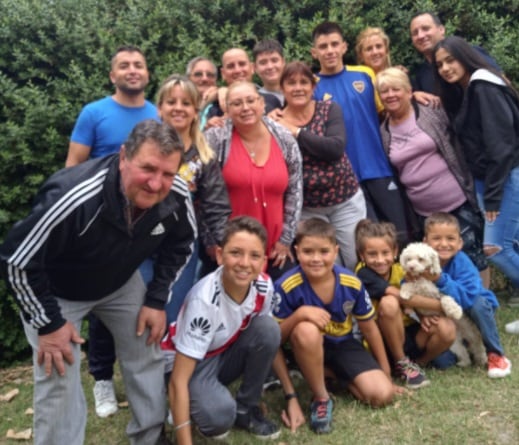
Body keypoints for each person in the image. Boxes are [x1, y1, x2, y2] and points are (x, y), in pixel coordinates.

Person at [0, 120, 196, 444]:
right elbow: (16, 259)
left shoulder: (174, 194)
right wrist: (48, 324)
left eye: (168, 173)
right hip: (57, 292)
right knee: (57, 371)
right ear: (123, 157)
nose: (156, 183)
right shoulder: (72, 195)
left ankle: (149, 437)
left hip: (120, 283)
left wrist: (156, 300)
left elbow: (182, 245)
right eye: (147, 168)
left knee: (146, 347)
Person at [66, 45, 158, 418]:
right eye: (124, 66)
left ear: (147, 73)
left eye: (138, 65)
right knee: (103, 305)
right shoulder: (94, 113)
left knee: (145, 302)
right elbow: (73, 166)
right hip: (103, 227)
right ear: (112, 75)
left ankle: (149, 385)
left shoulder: (157, 113)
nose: (132, 70)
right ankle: (102, 379)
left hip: (147, 225)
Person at [163, 216, 305, 444]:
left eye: (255, 256)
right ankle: (183, 404)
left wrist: (292, 396)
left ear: (263, 262)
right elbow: (179, 379)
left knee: (268, 328)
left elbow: (270, 340)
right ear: (220, 255)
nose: (245, 263)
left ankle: (246, 409)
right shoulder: (205, 301)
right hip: (188, 363)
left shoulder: (263, 285)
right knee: (218, 419)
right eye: (235, 253)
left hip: (222, 351)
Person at [273, 218, 395, 434]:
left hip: (343, 344)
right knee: (306, 329)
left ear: (336, 250)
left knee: (381, 396)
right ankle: (321, 398)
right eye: (308, 252)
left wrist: (386, 373)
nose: (316, 259)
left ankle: (332, 374)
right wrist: (299, 315)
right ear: (297, 251)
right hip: (304, 346)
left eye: (324, 251)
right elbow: (272, 342)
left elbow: (369, 328)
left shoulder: (351, 282)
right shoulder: (285, 286)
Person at [375, 67, 489, 287]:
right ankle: (458, 310)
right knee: (439, 262)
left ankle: (484, 304)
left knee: (474, 257)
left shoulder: (430, 111)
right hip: (423, 211)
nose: (390, 95)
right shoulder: (384, 131)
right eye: (384, 91)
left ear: (409, 91)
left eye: (396, 89)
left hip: (457, 200)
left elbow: (458, 136)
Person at [432, 36, 519, 308]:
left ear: (465, 56)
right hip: (487, 180)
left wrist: (492, 196)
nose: (445, 68)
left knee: (496, 249)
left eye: (450, 60)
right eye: (440, 64)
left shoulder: (484, 86)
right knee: (511, 243)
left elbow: (502, 146)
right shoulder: (468, 89)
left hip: (503, 178)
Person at [310, 21, 411, 246]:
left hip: (379, 168)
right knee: (368, 244)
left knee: (400, 235)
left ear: (344, 47)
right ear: (314, 52)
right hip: (345, 179)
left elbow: (389, 109)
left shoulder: (365, 74)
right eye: (323, 46)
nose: (330, 51)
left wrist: (416, 96)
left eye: (334, 44)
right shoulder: (311, 87)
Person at [270, 61, 366, 269]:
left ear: (313, 87)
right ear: (282, 88)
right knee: (322, 264)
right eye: (291, 83)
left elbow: (334, 148)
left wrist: (296, 132)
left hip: (345, 202)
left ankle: (357, 299)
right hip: (308, 208)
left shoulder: (329, 109)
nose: (298, 88)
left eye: (304, 82)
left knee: (353, 260)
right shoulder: (273, 122)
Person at [205, 81, 303, 282]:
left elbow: (295, 189)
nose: (245, 108)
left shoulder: (284, 138)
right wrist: (213, 242)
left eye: (251, 101)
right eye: (237, 103)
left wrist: (286, 240)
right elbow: (203, 195)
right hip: (230, 249)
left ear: (262, 104)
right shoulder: (216, 138)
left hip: (276, 249)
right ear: (228, 109)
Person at [156, 74, 231, 323]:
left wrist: (226, 246)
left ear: (195, 110)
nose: (178, 108)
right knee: (139, 313)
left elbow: (217, 207)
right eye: (171, 102)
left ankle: (169, 362)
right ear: (160, 108)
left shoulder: (203, 155)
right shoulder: (144, 145)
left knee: (173, 315)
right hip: (140, 246)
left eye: (186, 103)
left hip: (181, 249)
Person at [355, 219, 456, 387]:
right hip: (381, 340)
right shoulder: (363, 273)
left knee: (447, 329)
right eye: (372, 254)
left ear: (395, 251)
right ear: (362, 255)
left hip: (407, 330)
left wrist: (423, 315)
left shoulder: (402, 269)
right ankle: (401, 362)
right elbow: (402, 296)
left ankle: (417, 364)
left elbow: (418, 291)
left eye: (385, 253)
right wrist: (441, 305)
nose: (380, 260)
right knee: (389, 303)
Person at [423, 212, 512, 378]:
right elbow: (407, 288)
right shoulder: (420, 262)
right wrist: (421, 315)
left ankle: (495, 353)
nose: (443, 244)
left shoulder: (462, 262)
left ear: (460, 243)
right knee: (443, 363)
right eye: (436, 238)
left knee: (478, 304)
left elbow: (468, 298)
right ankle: (464, 346)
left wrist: (440, 279)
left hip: (473, 311)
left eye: (450, 239)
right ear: (425, 242)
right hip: (450, 319)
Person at [409, 11, 500, 94]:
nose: (420, 35)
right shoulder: (421, 75)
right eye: (415, 33)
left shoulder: (470, 54)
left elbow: (499, 82)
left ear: (441, 30)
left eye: (426, 29)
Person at [205, 48, 282, 129]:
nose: (237, 70)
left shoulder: (272, 100)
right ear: (223, 74)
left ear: (252, 68)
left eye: (242, 64)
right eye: (231, 66)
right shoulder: (214, 108)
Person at [253, 39, 286, 105]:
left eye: (274, 60)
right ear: (255, 68)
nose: (270, 67)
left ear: (283, 62)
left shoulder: (299, 94)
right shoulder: (254, 100)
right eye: (263, 62)